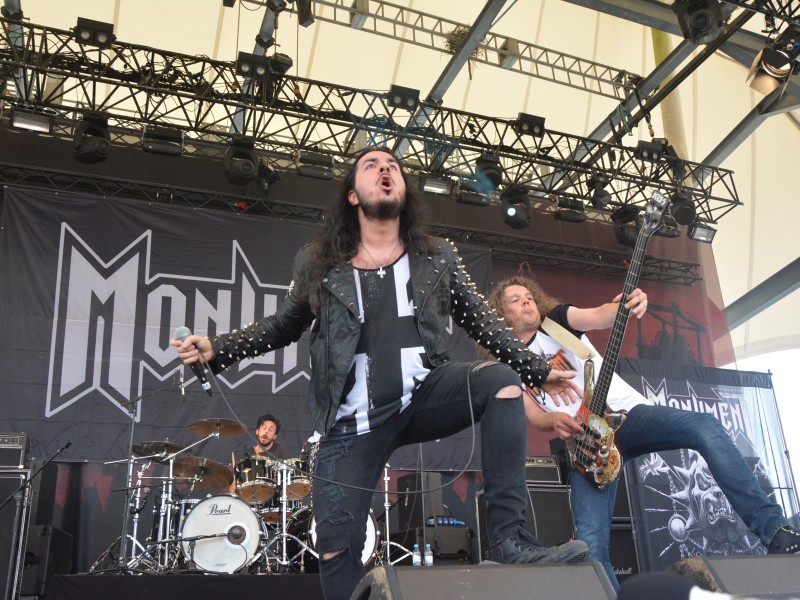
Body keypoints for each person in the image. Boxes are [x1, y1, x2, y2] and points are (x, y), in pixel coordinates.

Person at [172, 147, 588, 600]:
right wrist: (219, 348)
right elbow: (282, 326)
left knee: (502, 381)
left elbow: (484, 324)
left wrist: (534, 369)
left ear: (405, 190)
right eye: (371, 165)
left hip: (424, 395)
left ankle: (509, 539)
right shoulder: (318, 261)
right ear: (353, 195)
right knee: (333, 547)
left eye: (393, 165)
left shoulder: (438, 256)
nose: (385, 169)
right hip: (352, 423)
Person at [487, 274, 800, 593]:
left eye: (528, 295)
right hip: (588, 448)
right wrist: (553, 418)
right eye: (515, 299)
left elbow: (597, 315)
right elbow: (534, 416)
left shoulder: (554, 323)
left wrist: (624, 305)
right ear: (502, 315)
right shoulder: (509, 363)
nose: (526, 300)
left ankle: (774, 529)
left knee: (705, 427)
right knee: (590, 548)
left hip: (627, 415)